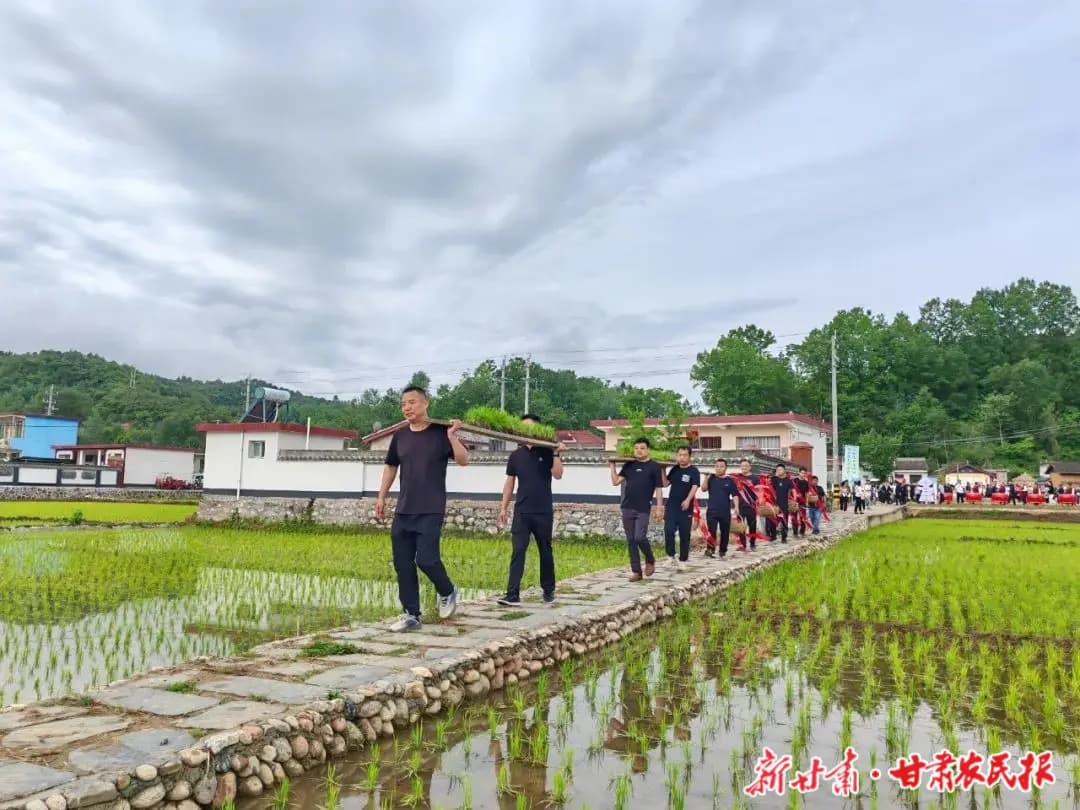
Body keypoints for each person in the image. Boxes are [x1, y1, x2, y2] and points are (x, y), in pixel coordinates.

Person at [375, 385, 469, 632]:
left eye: (412, 402)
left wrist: (452, 436)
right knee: (403, 563)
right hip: (404, 508)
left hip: (431, 507)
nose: (407, 407)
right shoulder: (400, 436)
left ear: (425, 404)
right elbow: (391, 467)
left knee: (427, 559)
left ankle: (447, 590)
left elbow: (463, 460)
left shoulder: (440, 432)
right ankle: (411, 614)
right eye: (403, 404)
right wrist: (381, 497)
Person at [496, 414, 565, 607]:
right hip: (522, 511)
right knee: (518, 550)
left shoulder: (547, 450)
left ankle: (549, 590)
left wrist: (557, 453)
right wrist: (503, 507)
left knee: (545, 550)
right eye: (523, 428)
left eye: (530, 428)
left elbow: (558, 475)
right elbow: (510, 483)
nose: (526, 432)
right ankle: (512, 594)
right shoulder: (515, 456)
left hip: (543, 510)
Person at [609, 438, 664, 581]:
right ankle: (637, 572)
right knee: (631, 540)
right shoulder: (629, 465)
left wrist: (659, 507)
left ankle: (650, 559)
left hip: (643, 508)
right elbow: (615, 482)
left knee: (640, 537)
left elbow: (658, 489)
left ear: (648, 450)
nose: (639, 450)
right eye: (636, 448)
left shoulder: (654, 467)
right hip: (627, 507)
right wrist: (612, 466)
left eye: (642, 448)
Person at [663, 445, 700, 571]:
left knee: (685, 534)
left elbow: (695, 486)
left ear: (689, 457)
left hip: (685, 508)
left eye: (685, 455)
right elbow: (665, 484)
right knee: (668, 531)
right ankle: (670, 556)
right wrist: (663, 470)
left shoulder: (694, 471)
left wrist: (688, 500)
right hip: (672, 506)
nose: (682, 457)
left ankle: (683, 559)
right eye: (680, 455)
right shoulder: (674, 469)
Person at [701, 458, 738, 558]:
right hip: (712, 511)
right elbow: (703, 489)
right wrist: (706, 478)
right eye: (717, 466)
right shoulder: (711, 478)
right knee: (711, 531)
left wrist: (736, 507)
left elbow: (735, 495)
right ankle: (710, 549)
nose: (719, 468)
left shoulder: (730, 481)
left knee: (725, 531)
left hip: (725, 511)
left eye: (721, 466)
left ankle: (723, 550)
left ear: (726, 468)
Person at [733, 458, 758, 550]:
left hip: (751, 506)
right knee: (740, 526)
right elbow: (734, 491)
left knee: (752, 525)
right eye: (742, 466)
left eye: (746, 466)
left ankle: (752, 544)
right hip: (740, 505)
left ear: (750, 467)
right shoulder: (737, 478)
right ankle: (743, 545)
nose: (744, 467)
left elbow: (759, 492)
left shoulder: (755, 478)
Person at [769, 463, 794, 544]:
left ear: (784, 470)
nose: (779, 471)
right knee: (772, 521)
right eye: (777, 470)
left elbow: (791, 491)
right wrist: (774, 476)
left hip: (784, 505)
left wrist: (793, 500)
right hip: (775, 505)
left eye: (780, 469)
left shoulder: (789, 481)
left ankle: (784, 538)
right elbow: (768, 485)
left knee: (784, 522)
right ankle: (773, 536)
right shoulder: (774, 479)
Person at [792, 467, 811, 536]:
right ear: (799, 473)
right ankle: (795, 532)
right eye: (802, 473)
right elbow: (791, 490)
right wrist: (793, 499)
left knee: (803, 517)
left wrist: (807, 501)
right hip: (794, 502)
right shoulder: (794, 481)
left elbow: (807, 493)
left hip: (802, 502)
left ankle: (802, 531)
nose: (803, 474)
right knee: (794, 517)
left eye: (805, 473)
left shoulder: (806, 483)